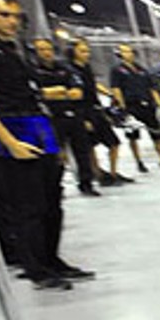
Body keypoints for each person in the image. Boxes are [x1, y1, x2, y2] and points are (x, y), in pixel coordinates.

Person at [0, 0, 87, 289]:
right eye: (3, 14)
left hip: (37, 122)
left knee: (52, 199)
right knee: (28, 205)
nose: (11, 21)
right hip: (10, 125)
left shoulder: (18, 48)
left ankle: (52, 259)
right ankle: (36, 269)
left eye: (15, 16)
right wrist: (8, 140)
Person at [32, 36, 98, 198]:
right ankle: (56, 187)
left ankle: (86, 183)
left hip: (73, 115)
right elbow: (36, 94)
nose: (46, 53)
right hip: (50, 118)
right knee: (55, 155)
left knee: (82, 151)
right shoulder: (32, 70)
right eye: (41, 49)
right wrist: (53, 93)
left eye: (48, 49)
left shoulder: (65, 68)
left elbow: (77, 92)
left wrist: (57, 92)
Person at [70, 39, 131, 186]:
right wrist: (83, 119)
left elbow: (93, 85)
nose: (86, 54)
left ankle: (113, 173)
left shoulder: (86, 68)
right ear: (73, 52)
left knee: (114, 143)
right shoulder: (70, 70)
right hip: (82, 111)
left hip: (95, 109)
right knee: (90, 146)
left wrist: (109, 94)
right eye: (82, 51)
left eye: (87, 51)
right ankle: (98, 174)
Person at [111, 43, 160, 170]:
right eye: (125, 51)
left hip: (147, 105)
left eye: (130, 51)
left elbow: (152, 88)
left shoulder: (142, 70)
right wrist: (122, 107)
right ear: (120, 54)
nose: (129, 54)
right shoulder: (117, 70)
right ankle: (139, 161)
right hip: (131, 106)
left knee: (157, 134)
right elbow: (116, 89)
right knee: (133, 136)